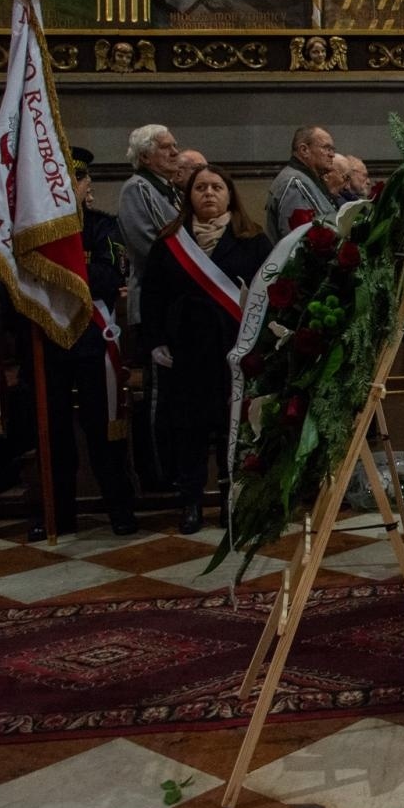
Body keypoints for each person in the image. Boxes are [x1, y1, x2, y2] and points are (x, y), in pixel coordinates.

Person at [142, 163, 272, 533]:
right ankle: (191, 503)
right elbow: (152, 297)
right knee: (189, 430)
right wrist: (155, 341)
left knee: (233, 429)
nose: (209, 193)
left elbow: (270, 295)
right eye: (200, 188)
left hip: (235, 352)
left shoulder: (253, 239)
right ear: (189, 196)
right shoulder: (170, 242)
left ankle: (232, 500)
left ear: (230, 195)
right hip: (186, 352)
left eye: (216, 187)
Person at [28, 147, 138, 540]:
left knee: (104, 431)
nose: (67, 185)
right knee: (52, 434)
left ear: (86, 184)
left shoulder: (103, 226)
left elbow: (110, 277)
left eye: (75, 178)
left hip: (93, 341)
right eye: (57, 179)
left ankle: (119, 508)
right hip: (47, 341)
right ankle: (56, 513)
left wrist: (53, 271)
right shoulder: (32, 233)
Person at [116, 124, 180, 491]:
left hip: (178, 305)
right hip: (155, 306)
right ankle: (158, 473)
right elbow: (147, 247)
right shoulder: (136, 188)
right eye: (166, 148)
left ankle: (177, 467)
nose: (175, 153)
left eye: (174, 146)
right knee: (158, 394)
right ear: (145, 157)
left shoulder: (170, 190)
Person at [265, 125, 338, 241]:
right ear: (304, 150)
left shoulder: (306, 179)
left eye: (332, 149)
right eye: (326, 148)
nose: (332, 155)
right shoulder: (293, 184)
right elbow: (298, 243)